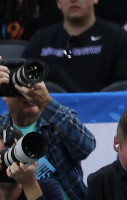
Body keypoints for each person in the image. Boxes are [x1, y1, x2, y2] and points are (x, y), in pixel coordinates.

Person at [24, 0, 127, 93]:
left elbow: (124, 91)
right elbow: (26, 85)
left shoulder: (117, 38)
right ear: (58, 1)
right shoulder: (41, 40)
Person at [0, 56, 94, 200]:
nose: (27, 93)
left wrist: (46, 102)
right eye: (18, 88)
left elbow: (86, 146)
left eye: (32, 85)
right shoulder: (1, 127)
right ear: (4, 95)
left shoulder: (58, 121)